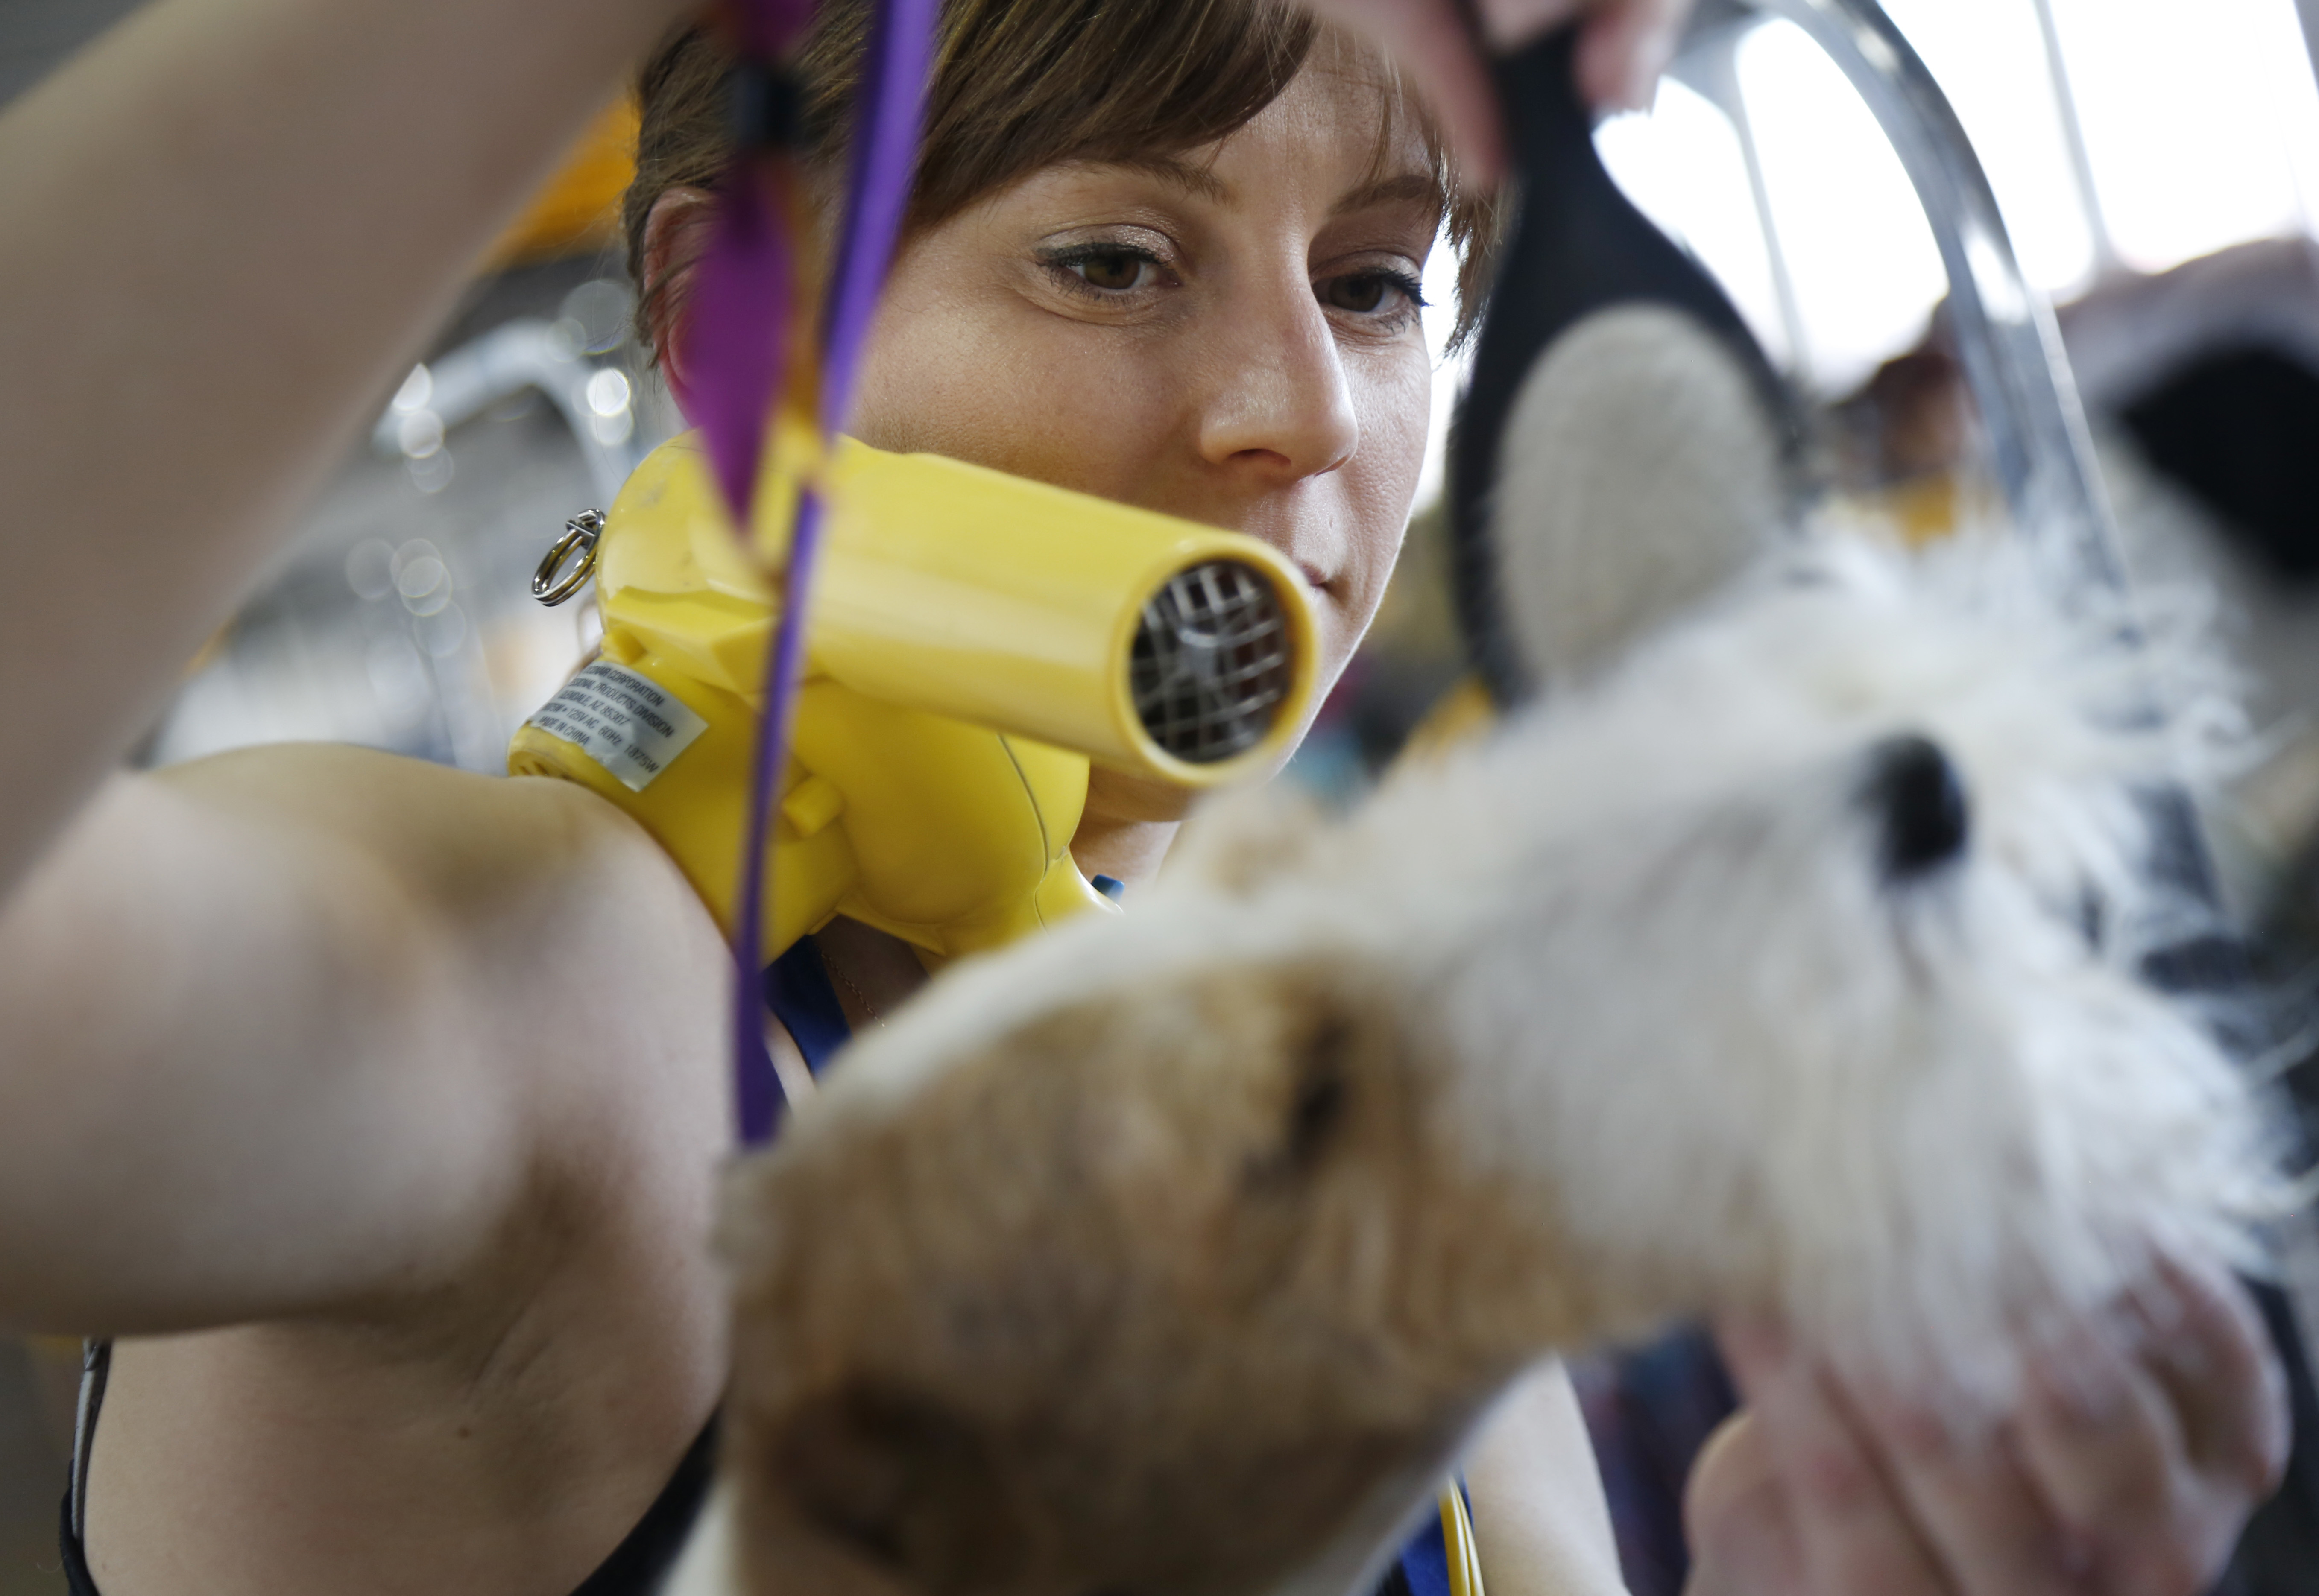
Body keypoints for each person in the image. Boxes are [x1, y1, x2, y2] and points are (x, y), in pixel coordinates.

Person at [0, 4, 2284, 1596]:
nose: (1299, 410)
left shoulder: (1375, 1116)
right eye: (1111, 259)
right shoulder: (541, 980)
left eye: (1377, 283)